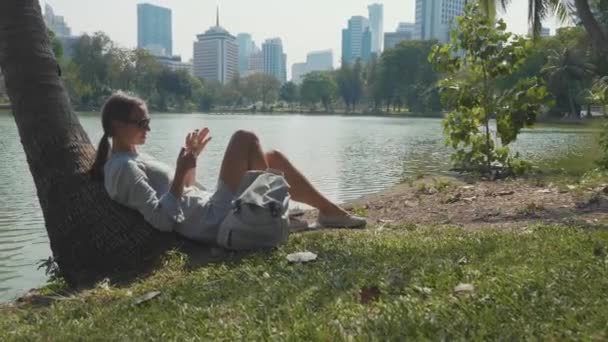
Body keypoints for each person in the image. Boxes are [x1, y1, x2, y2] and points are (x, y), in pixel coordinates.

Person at [90, 92, 366, 244]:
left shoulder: (137, 157)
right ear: (117, 125)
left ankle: (329, 212)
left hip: (209, 205)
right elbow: (163, 220)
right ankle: (266, 217)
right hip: (210, 220)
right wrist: (179, 171)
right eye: (141, 123)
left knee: (275, 157)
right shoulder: (121, 169)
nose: (147, 127)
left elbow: (185, 191)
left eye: (148, 121)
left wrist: (191, 160)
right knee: (244, 138)